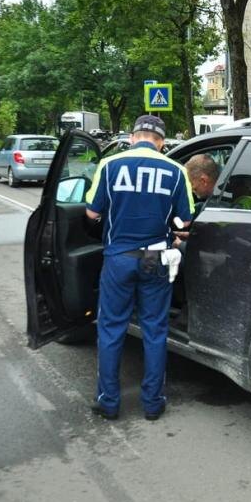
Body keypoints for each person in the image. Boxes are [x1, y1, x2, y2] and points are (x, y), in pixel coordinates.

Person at [84, 115, 194, 421]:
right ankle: (153, 403)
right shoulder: (176, 170)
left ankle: (109, 402)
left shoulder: (110, 166)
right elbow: (184, 222)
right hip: (157, 259)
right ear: (161, 142)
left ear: (133, 137)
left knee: (111, 329)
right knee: (155, 330)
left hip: (119, 258)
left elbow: (92, 212)